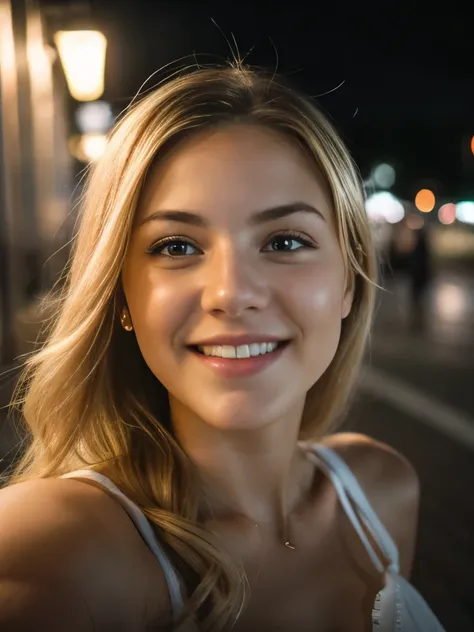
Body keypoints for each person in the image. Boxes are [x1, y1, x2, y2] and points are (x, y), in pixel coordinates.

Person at [0, 65, 445, 631]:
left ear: (349, 283)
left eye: (285, 241)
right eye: (177, 245)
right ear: (120, 297)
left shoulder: (382, 491)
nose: (232, 293)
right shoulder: (52, 554)